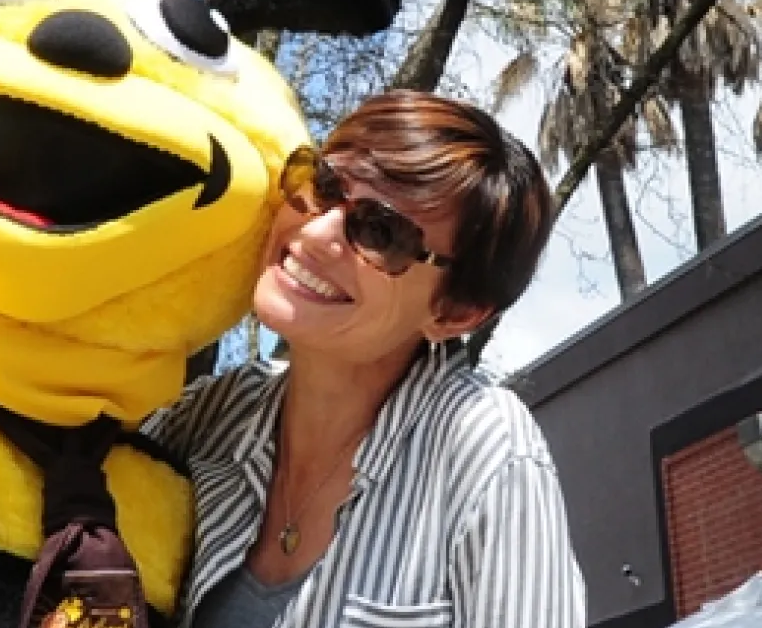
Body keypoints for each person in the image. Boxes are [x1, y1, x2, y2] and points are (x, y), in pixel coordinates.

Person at [142, 89, 587, 628]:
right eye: (323, 185)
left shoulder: (485, 448)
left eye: (380, 232)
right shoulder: (204, 417)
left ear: (455, 312)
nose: (316, 232)